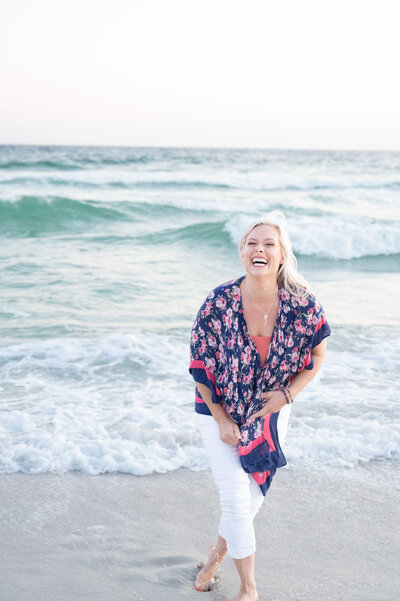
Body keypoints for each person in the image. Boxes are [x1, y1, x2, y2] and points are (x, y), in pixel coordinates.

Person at [189, 211, 331, 601]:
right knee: (234, 497)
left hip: (270, 412)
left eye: (269, 243)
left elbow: (318, 356)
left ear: (281, 255)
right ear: (242, 254)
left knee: (249, 500)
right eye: (252, 243)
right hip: (216, 409)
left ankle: (213, 560)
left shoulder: (303, 305)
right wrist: (220, 418)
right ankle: (249, 590)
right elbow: (199, 368)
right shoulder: (218, 303)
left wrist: (287, 396)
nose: (260, 249)